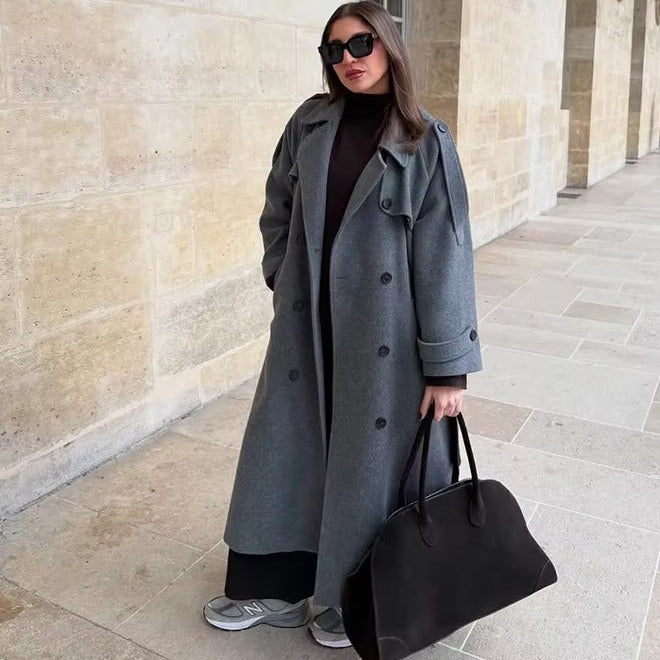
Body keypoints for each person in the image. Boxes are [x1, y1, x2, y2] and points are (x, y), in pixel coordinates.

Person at [203, 1, 482, 650]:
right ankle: (274, 588)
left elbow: (446, 253)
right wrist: (283, 277)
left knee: (368, 466)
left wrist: (447, 366)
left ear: (388, 45)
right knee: (284, 447)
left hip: (386, 338)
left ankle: (346, 596)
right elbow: (277, 207)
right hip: (307, 327)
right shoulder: (309, 122)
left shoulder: (424, 139)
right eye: (334, 50)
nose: (349, 59)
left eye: (361, 44)